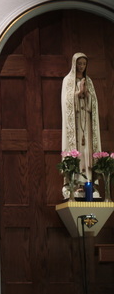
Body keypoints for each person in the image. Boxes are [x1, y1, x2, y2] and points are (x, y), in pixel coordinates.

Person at [61, 52, 101, 192]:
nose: (81, 66)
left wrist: (88, 94)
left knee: (87, 151)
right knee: (77, 151)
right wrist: (78, 94)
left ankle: (88, 183)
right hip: (76, 122)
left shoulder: (88, 81)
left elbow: (94, 103)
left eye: (84, 64)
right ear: (74, 64)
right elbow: (66, 102)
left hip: (86, 122)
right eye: (79, 64)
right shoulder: (68, 80)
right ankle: (75, 182)